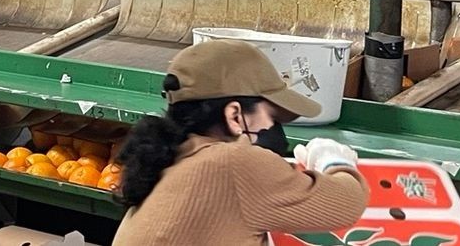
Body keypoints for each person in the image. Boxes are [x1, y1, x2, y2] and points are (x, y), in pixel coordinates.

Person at [112, 39, 368, 246]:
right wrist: (334, 160)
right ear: (235, 116)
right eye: (273, 117)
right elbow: (346, 204)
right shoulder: (232, 163)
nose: (276, 130)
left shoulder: (173, 161)